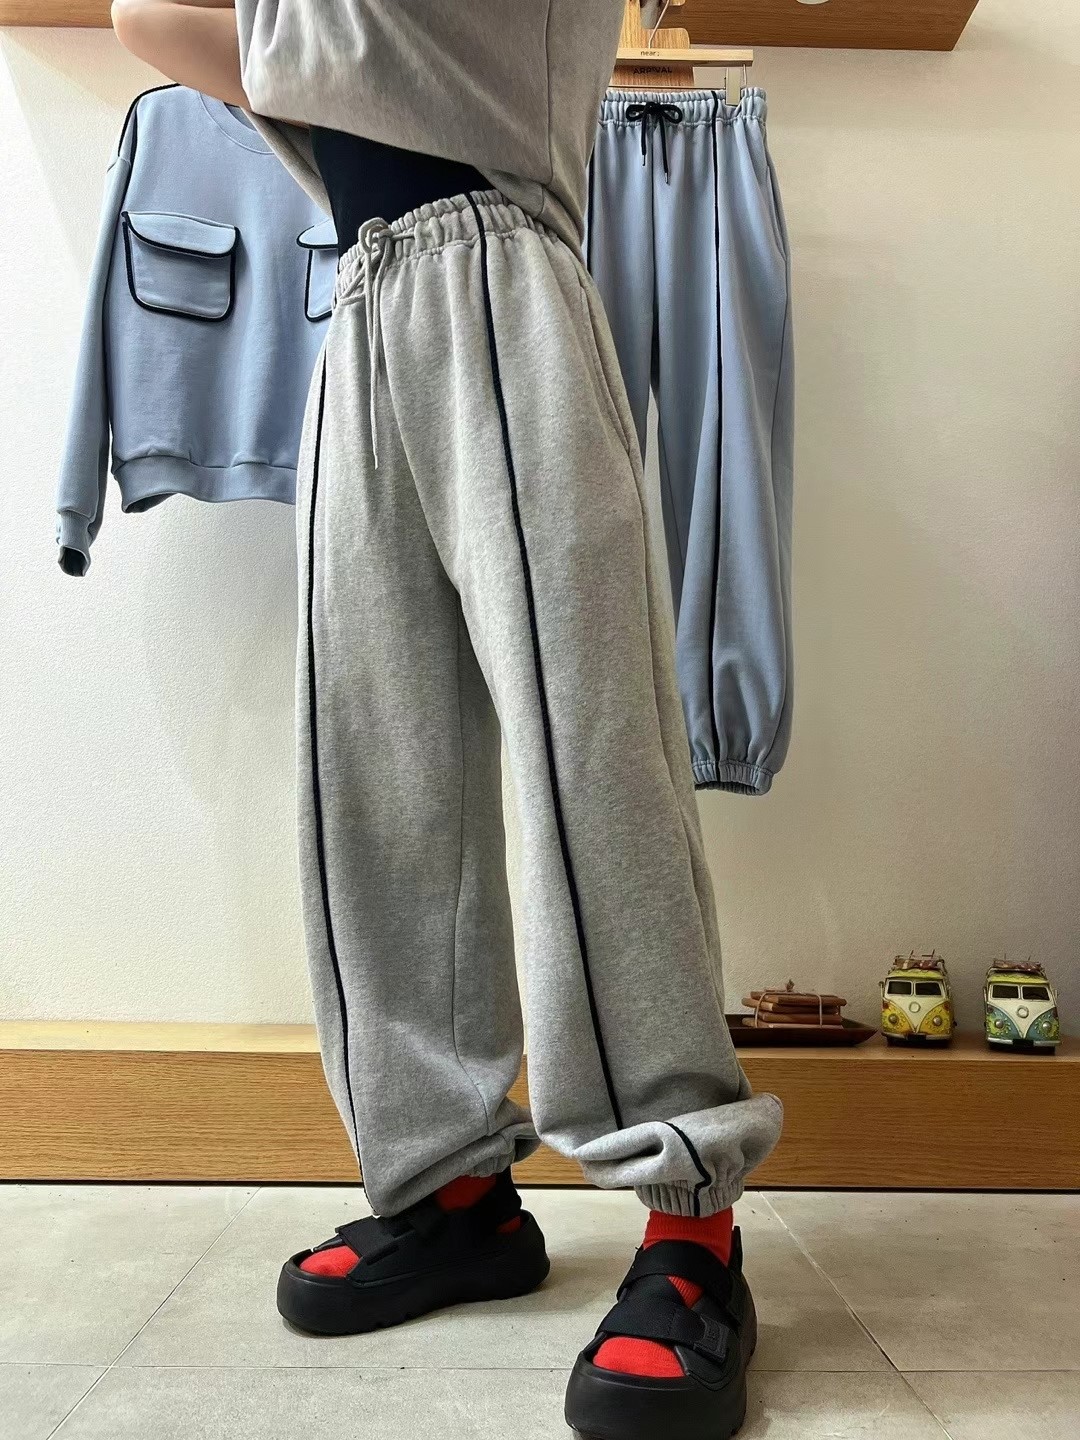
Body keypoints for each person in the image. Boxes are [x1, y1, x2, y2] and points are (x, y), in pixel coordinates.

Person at [111, 4, 783, 1436]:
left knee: (588, 763)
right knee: (374, 770)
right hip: (359, 294)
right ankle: (454, 1193)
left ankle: (691, 1222)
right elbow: (148, 21)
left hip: (502, 269)